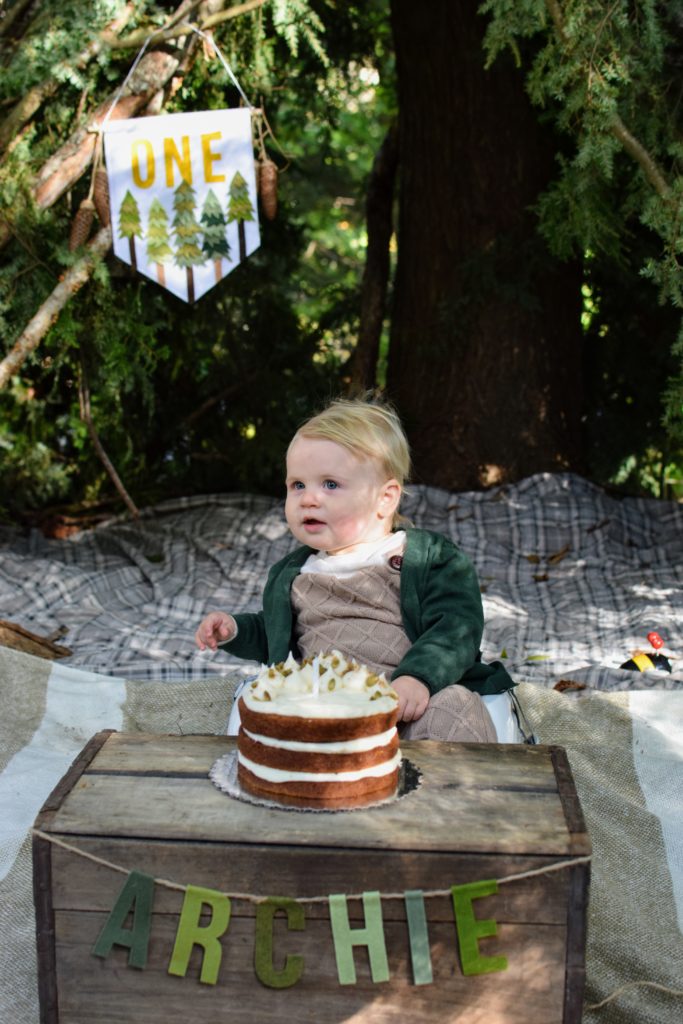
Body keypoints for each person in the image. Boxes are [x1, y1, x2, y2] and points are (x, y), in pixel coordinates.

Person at [195, 397, 516, 742]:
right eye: (298, 485)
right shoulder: (295, 573)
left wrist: (419, 677)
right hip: (325, 710)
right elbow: (274, 631)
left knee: (455, 708)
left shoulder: (425, 558)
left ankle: (453, 775)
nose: (308, 498)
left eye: (330, 484)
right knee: (261, 704)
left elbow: (456, 626)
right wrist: (235, 630)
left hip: (408, 704)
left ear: (385, 498)